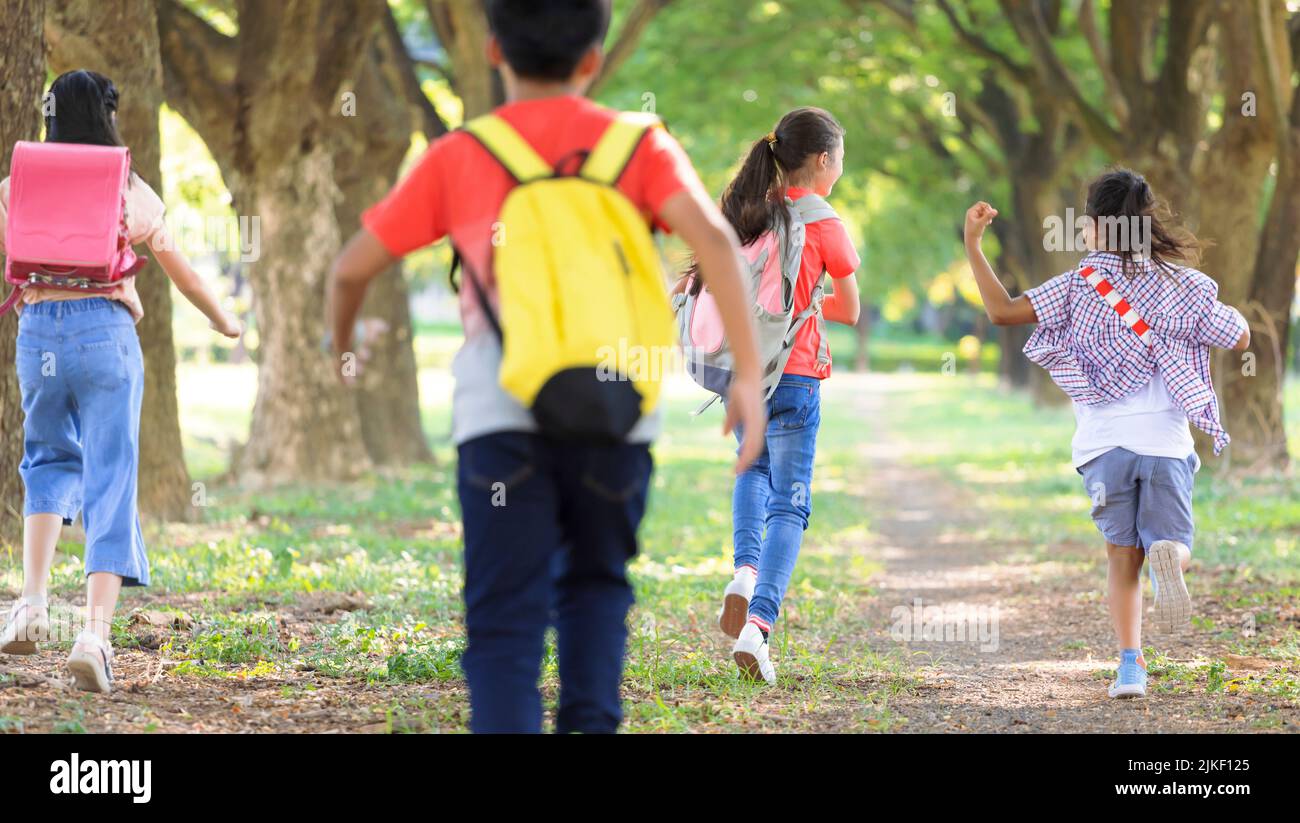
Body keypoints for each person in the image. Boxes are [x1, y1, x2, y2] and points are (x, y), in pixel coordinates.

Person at [326, 0, 765, 733]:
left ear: (493, 49)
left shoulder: (461, 154)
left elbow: (349, 270)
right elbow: (718, 246)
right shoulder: (638, 145)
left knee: (504, 618)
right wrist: (746, 373)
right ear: (593, 59)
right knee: (596, 591)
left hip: (501, 417)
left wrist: (341, 349)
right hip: (615, 410)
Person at [963, 168, 1250, 699]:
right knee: (1172, 542)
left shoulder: (1078, 283)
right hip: (1165, 446)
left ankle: (1129, 667)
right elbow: (1237, 335)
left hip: (1103, 450)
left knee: (1122, 558)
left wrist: (973, 245)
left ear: (1095, 227)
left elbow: (1003, 312)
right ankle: (1171, 565)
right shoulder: (1181, 285)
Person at [0, 69, 242, 693]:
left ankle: (30, 605)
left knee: (47, 461)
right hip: (105, 336)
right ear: (107, 117)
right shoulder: (128, 191)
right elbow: (182, 273)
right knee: (110, 476)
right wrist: (224, 320)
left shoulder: (15, 186)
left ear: (49, 116)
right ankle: (93, 637)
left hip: (37, 336)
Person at [698, 107, 862, 684]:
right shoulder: (825, 223)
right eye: (839, 157)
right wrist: (811, 303)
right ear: (823, 161)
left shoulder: (751, 212)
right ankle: (758, 627)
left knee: (751, 471)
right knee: (790, 503)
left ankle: (743, 570)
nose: (840, 167)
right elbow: (850, 309)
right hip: (797, 376)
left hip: (747, 373)